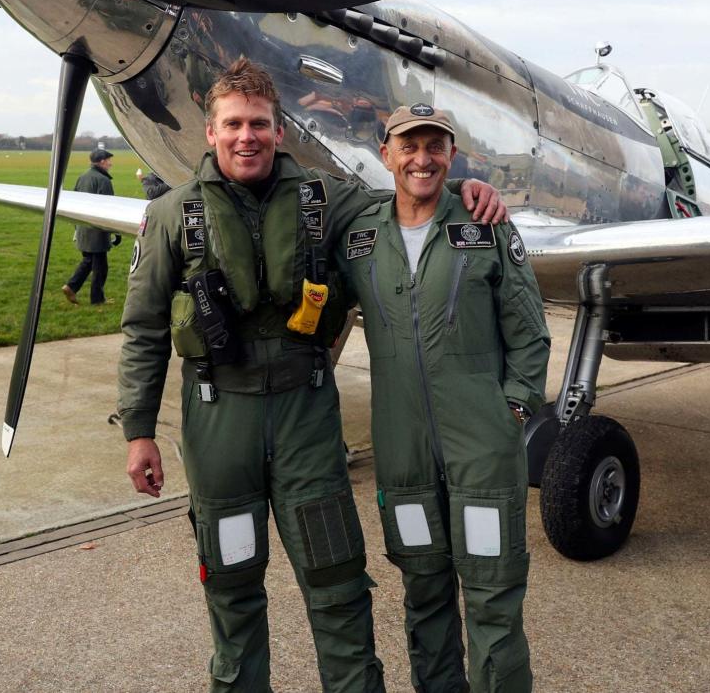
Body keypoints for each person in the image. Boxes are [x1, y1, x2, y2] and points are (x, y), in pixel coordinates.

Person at [115, 58, 507, 692]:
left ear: (279, 130)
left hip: (306, 419)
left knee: (337, 584)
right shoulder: (170, 216)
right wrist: (138, 430)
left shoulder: (325, 199)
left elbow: (404, 199)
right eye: (234, 124)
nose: (248, 136)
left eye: (261, 124)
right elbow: (144, 330)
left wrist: (467, 191)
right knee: (233, 582)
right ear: (210, 133)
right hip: (220, 423)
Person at [336, 105, 549, 692]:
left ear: (451, 155)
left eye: (435, 146)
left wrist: (514, 410)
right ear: (386, 154)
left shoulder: (486, 224)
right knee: (424, 594)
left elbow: (530, 332)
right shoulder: (359, 239)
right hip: (403, 455)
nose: (421, 158)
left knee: (492, 599)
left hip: (482, 446)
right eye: (408, 146)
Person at [61, 149, 118, 305]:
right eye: (108, 160)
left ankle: (71, 287)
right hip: (97, 231)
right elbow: (109, 208)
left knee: (88, 262)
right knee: (101, 268)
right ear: (101, 162)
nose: (110, 163)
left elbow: (74, 202)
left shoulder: (82, 177)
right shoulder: (103, 180)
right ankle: (97, 300)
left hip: (83, 228)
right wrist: (115, 231)